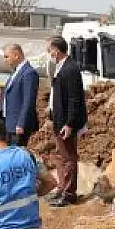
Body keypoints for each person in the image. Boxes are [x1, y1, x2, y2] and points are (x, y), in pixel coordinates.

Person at [46, 36, 86, 207]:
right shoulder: (60, 67)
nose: (48, 54)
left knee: (69, 157)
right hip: (58, 119)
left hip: (65, 123)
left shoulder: (70, 69)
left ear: (57, 50)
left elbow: (74, 99)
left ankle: (69, 193)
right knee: (61, 157)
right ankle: (62, 188)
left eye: (49, 50)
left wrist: (70, 123)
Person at [0, 44, 40, 146]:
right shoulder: (16, 72)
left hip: (18, 125)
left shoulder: (28, 73)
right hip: (9, 123)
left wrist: (21, 123)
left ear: (16, 55)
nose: (5, 60)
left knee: (16, 154)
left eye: (7, 57)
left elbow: (28, 101)